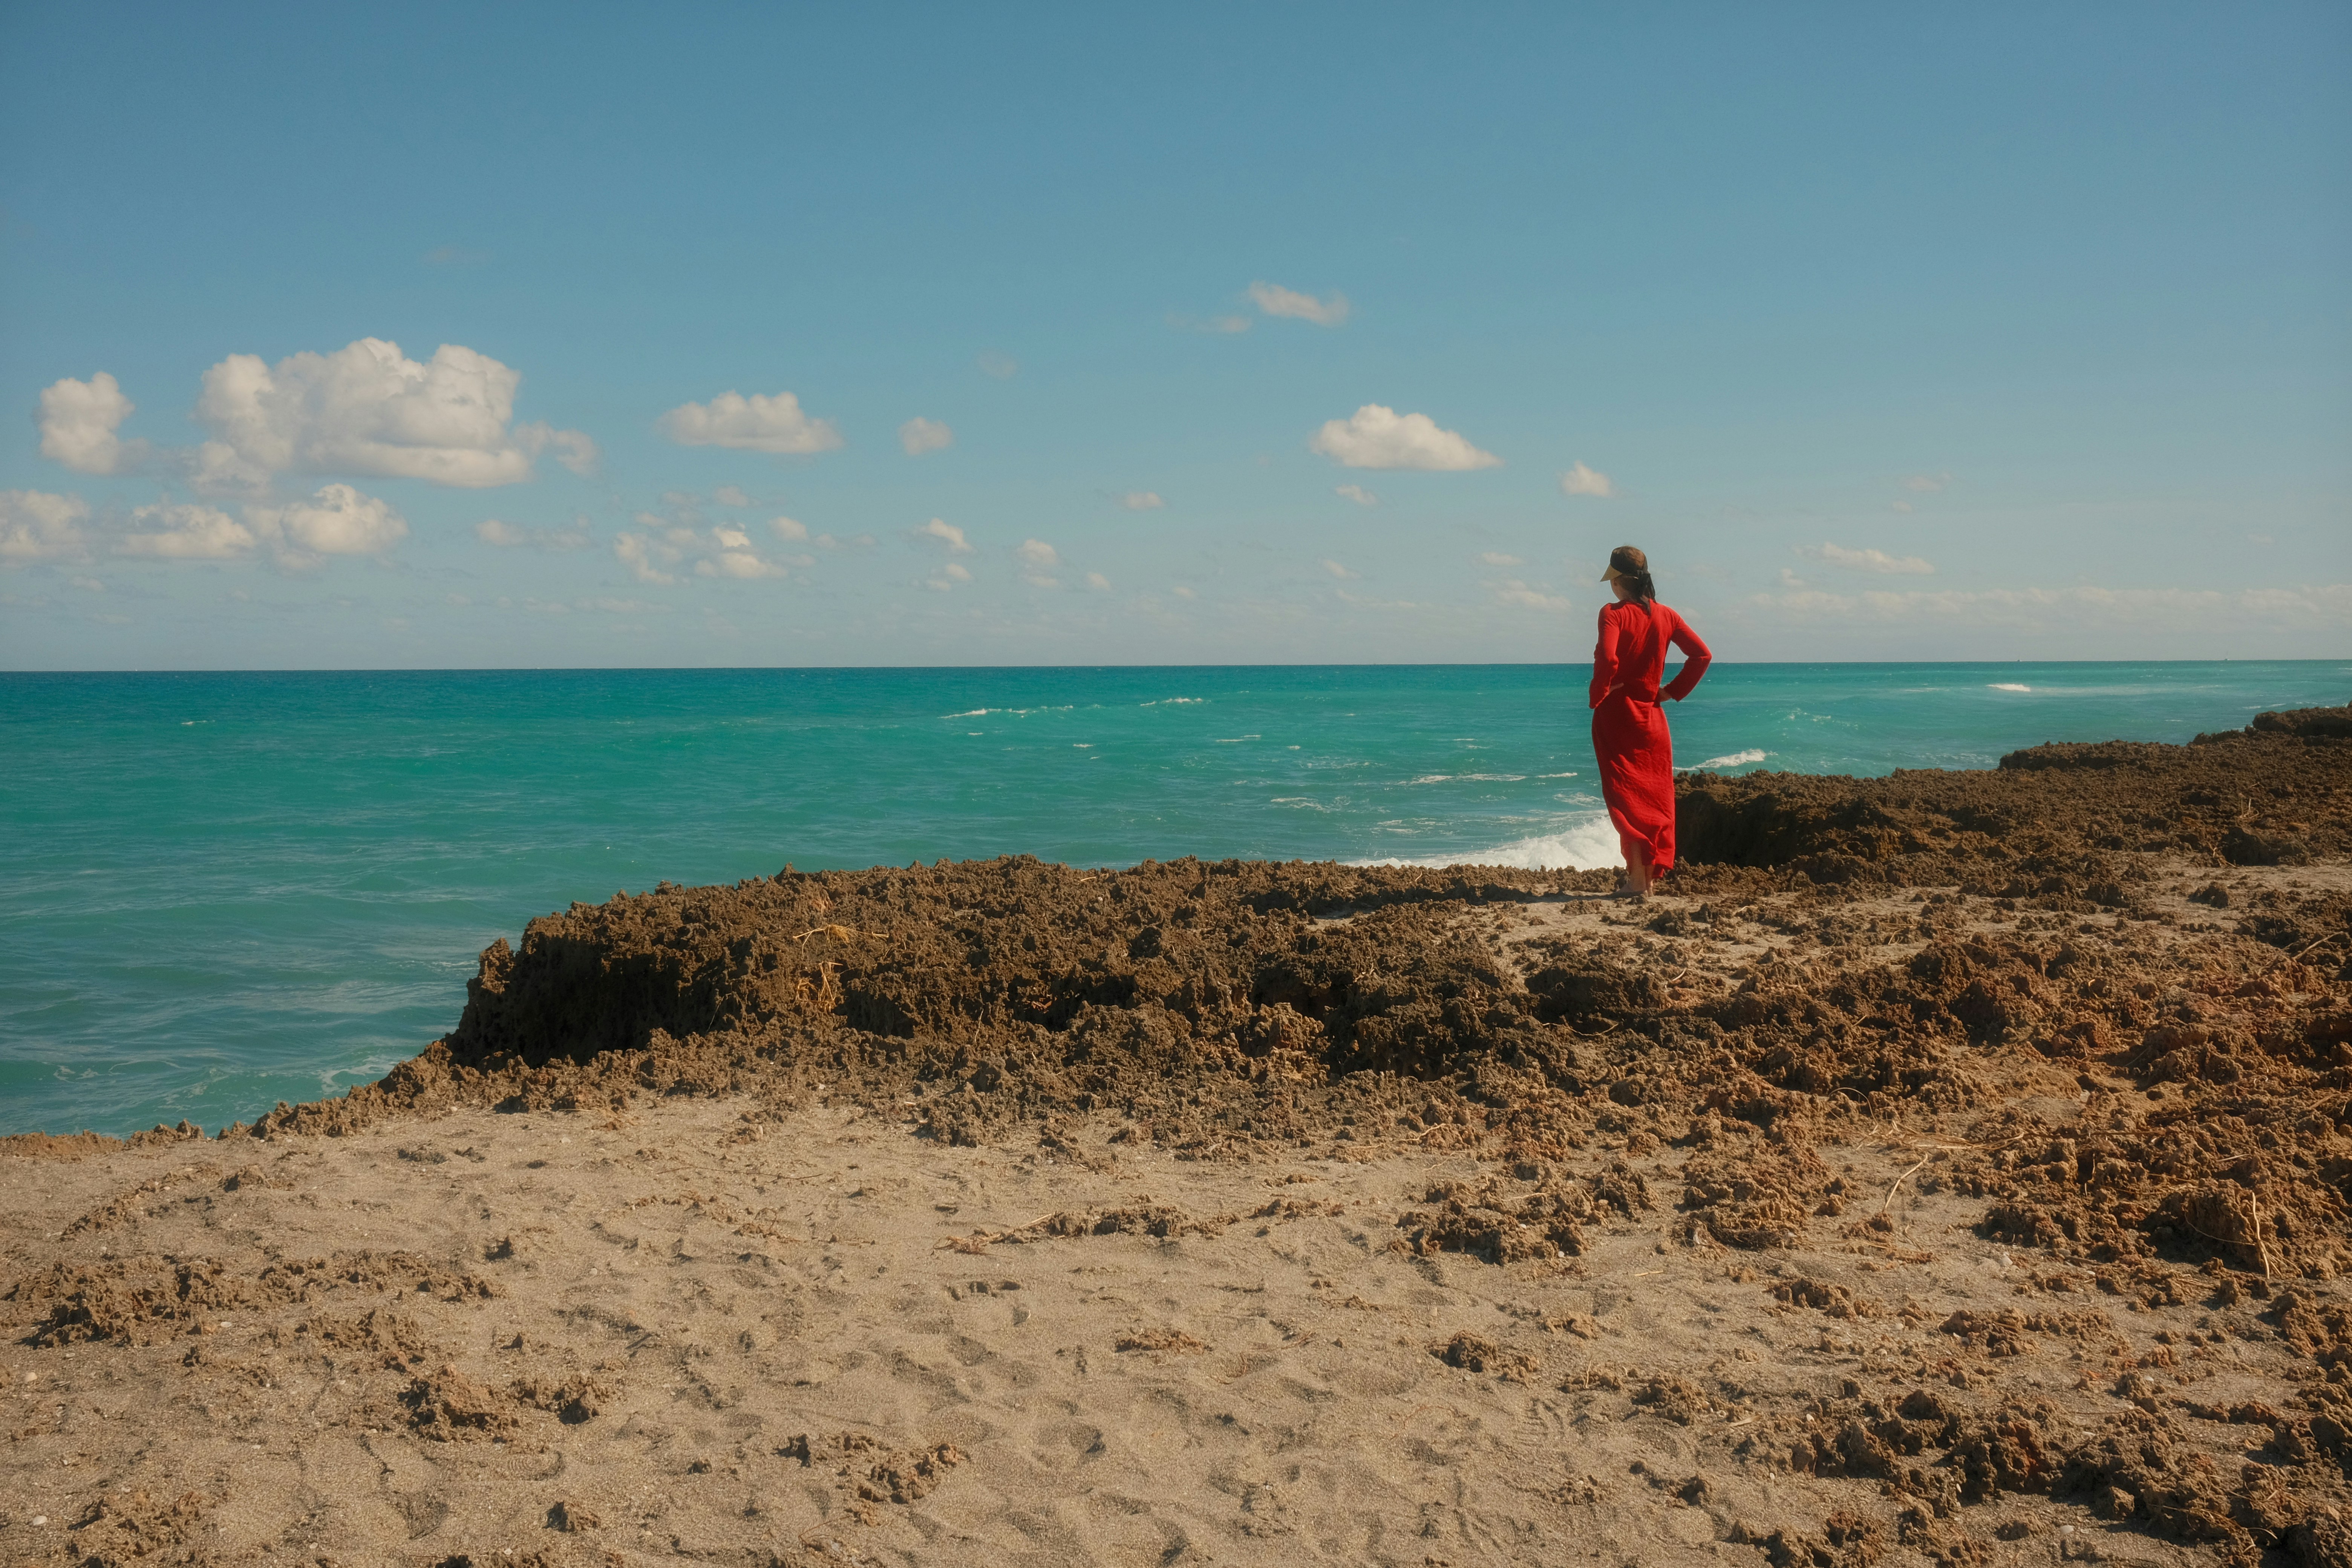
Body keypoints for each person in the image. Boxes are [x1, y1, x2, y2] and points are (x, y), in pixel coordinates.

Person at [1588, 544, 1712, 897]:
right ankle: (1646, 882)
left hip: (1618, 716)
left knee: (1625, 799)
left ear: (1616, 581)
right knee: (1653, 801)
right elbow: (1702, 655)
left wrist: (1600, 693)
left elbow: (1610, 660)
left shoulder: (1612, 613)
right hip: (1653, 719)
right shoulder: (1667, 615)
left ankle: (1637, 882)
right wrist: (1669, 692)